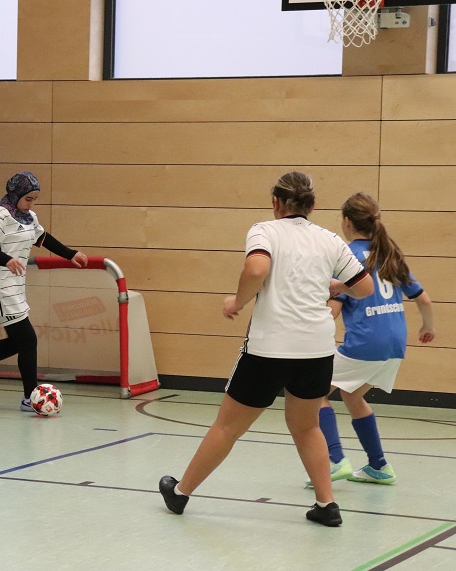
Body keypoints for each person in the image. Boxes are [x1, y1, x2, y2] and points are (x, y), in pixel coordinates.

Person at [157, 172, 374, 527]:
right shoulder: (330, 239)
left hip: (269, 349)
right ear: (313, 206)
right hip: (317, 350)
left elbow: (257, 268)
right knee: (307, 428)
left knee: (227, 427)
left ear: (275, 202)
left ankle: (180, 493)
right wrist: (336, 285)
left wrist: (237, 301)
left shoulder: (264, 231)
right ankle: (326, 504)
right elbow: (363, 287)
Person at [312, 192, 435, 487]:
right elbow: (424, 300)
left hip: (366, 343)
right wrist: (426, 328)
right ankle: (379, 466)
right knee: (352, 395)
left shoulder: (346, 257)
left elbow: (334, 310)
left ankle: (336, 460)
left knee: (313, 395)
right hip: (395, 345)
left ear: (346, 221)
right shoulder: (389, 254)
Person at [0, 172, 88, 411]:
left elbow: (43, 238)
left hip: (15, 284)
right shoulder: (0, 215)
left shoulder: (29, 217)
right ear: (15, 195)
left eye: (35, 199)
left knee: (19, 342)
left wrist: (70, 253)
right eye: (28, 199)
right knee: (28, 339)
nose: (31, 204)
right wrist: (6, 260)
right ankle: (30, 398)